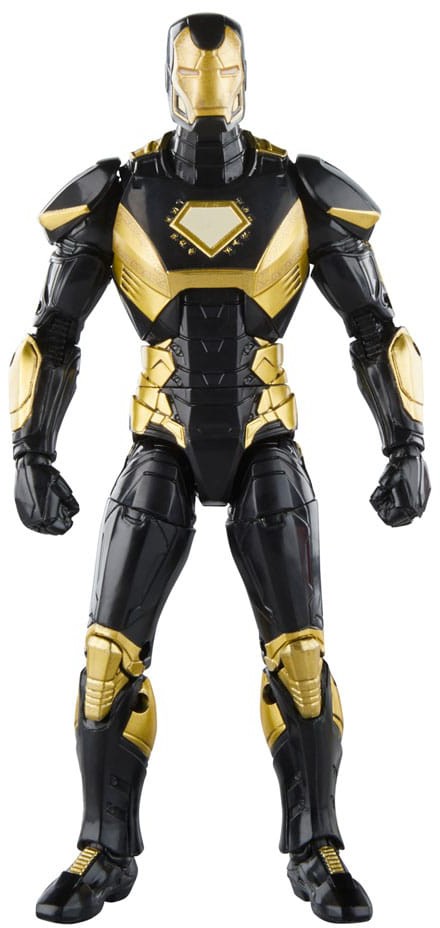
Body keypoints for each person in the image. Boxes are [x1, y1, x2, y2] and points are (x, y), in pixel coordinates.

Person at [9, 12, 430, 925]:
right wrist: (31, 450)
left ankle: (318, 846)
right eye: (196, 73)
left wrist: (405, 442)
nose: (210, 89)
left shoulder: (297, 188)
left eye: (224, 72)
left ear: (245, 78)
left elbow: (375, 328)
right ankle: (102, 848)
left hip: (265, 432)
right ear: (169, 80)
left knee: (301, 655)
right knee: (107, 654)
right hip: (158, 435)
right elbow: (53, 335)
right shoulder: (121, 191)